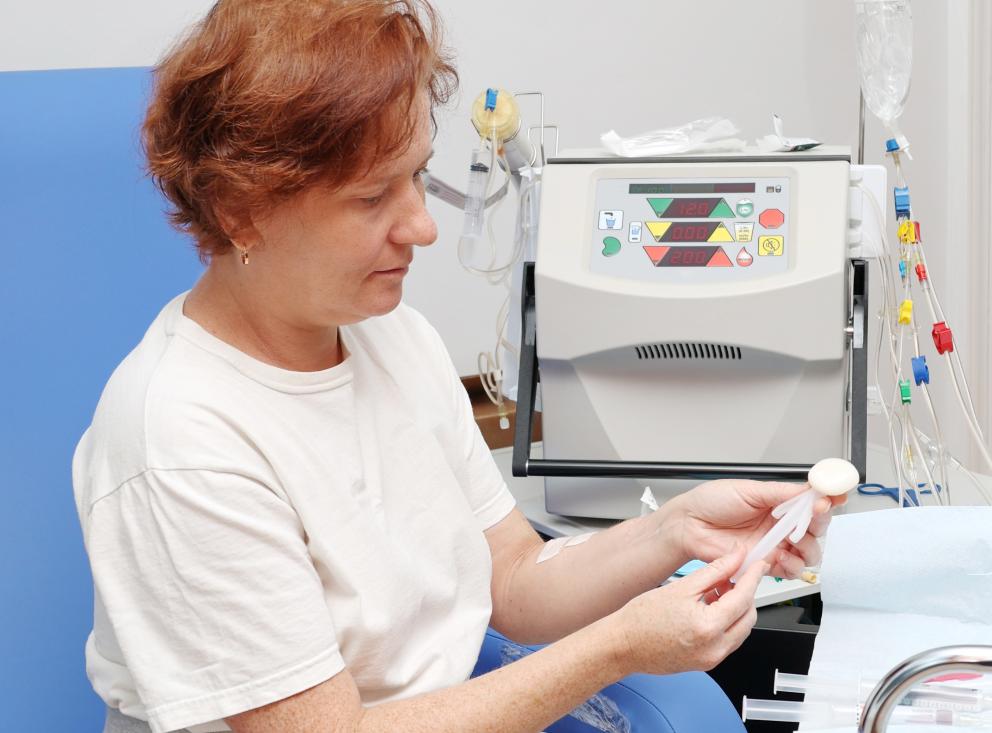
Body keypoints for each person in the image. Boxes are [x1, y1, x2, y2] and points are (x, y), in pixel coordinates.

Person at [72, 2, 842, 732]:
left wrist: (674, 530)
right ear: (242, 211)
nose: (424, 226)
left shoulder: (388, 334)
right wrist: (619, 645)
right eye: (374, 197)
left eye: (416, 175)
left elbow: (511, 576)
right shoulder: (180, 438)